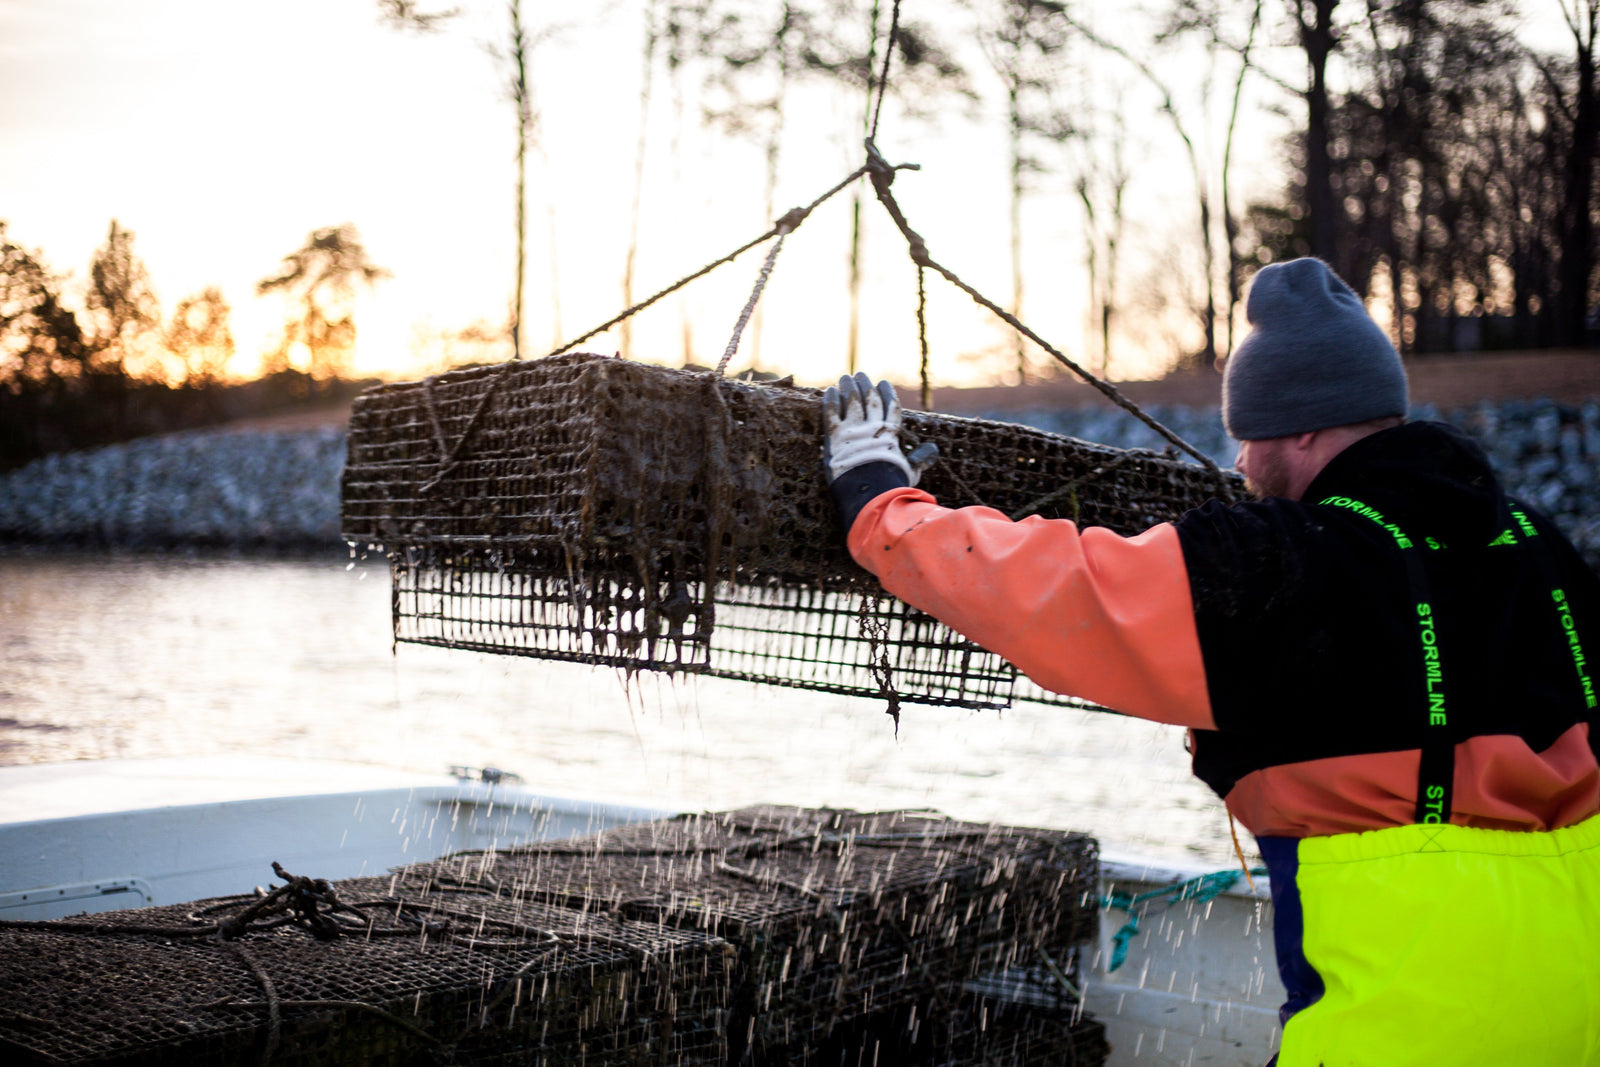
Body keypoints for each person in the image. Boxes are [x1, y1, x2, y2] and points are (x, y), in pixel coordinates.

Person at [822, 257, 1600, 1065]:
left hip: (1414, 1028)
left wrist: (883, 506)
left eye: (1247, 436)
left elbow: (1059, 590)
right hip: (1580, 1009)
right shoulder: (1542, 545)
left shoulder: (1284, 563)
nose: (1238, 465)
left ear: (1303, 426)